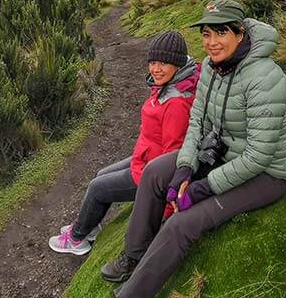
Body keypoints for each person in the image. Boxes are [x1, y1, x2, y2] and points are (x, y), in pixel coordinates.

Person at [101, 0, 286, 297]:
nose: (211, 42)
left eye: (220, 33)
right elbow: (197, 122)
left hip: (268, 174)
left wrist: (202, 187)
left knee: (182, 223)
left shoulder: (264, 78)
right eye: (206, 34)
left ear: (240, 34)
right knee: (156, 172)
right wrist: (184, 167)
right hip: (225, 154)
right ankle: (134, 254)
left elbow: (258, 156)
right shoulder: (210, 66)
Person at [49, 30, 201, 255]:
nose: (156, 69)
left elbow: (174, 155)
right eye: (153, 62)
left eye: (164, 63)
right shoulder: (170, 84)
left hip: (151, 173)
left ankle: (77, 239)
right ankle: (89, 226)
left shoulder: (176, 102)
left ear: (178, 64)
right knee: (101, 175)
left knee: (97, 188)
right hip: (145, 157)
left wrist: (167, 207)